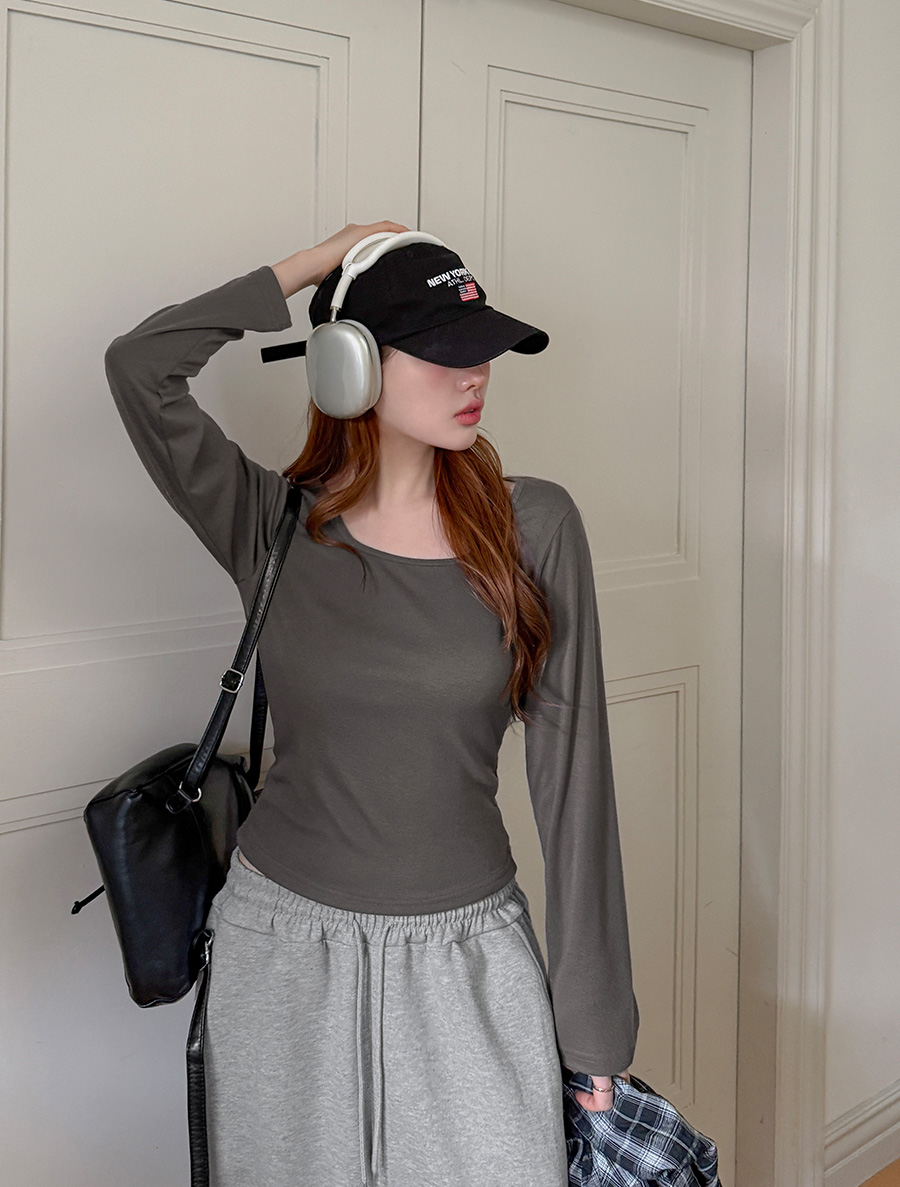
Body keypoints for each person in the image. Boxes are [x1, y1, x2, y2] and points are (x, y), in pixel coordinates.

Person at [103, 221, 639, 1187]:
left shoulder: (535, 528)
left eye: (483, 349)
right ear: (348, 366)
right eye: (443, 351)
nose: (476, 374)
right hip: (280, 952)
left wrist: (594, 1032)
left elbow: (576, 785)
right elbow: (139, 367)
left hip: (467, 957)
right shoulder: (269, 525)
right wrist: (323, 259)